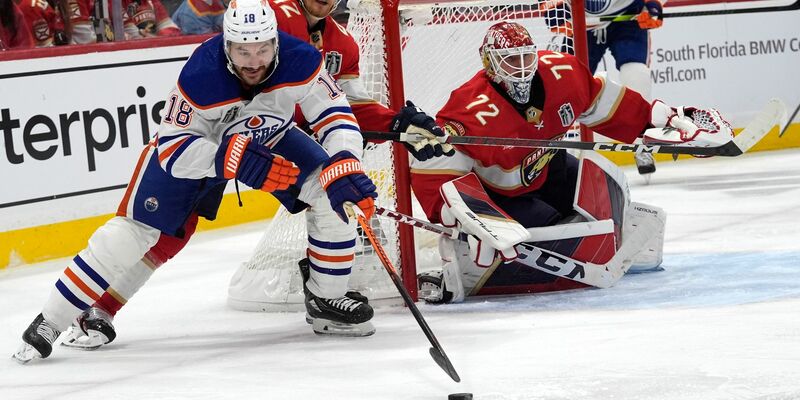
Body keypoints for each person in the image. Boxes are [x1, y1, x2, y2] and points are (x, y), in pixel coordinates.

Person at [58, 0, 453, 351]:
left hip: (275, 138)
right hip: (215, 138)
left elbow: (342, 106)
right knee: (169, 231)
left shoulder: (343, 44)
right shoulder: (273, 17)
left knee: (333, 196)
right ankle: (97, 307)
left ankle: (326, 297)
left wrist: (394, 122)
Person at [410, 21, 732, 303]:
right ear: (490, 63)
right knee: (557, 234)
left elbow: (605, 103)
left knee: (605, 192)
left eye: (526, 57)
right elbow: (434, 166)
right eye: (510, 60)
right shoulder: (469, 109)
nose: (521, 68)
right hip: (506, 196)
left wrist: (659, 119)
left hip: (551, 166)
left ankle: (612, 247)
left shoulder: (561, 72)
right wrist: (458, 214)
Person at [543, 0, 665, 177]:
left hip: (627, 15)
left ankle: (642, 147)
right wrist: (553, 7)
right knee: (568, 83)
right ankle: (567, 152)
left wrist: (653, 3)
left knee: (636, 74)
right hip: (580, 17)